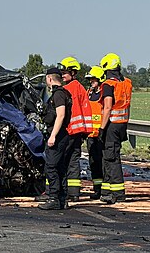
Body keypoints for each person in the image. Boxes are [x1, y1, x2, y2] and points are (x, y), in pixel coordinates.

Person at [99, 53, 132, 204]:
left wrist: (102, 128)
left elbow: (107, 107)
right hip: (122, 124)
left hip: (111, 124)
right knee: (110, 156)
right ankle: (107, 191)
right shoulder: (126, 83)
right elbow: (127, 106)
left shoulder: (108, 85)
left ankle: (118, 193)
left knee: (112, 158)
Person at [38, 67, 73, 210]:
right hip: (64, 135)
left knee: (51, 167)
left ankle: (53, 198)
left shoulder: (58, 94)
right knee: (60, 167)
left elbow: (61, 115)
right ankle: (62, 199)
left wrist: (53, 136)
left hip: (58, 135)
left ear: (50, 79)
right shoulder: (65, 93)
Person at [58, 57, 92, 201]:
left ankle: (64, 192)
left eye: (65, 72)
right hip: (78, 132)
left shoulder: (66, 89)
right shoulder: (80, 87)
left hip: (69, 130)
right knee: (74, 161)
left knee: (63, 161)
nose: (62, 75)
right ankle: (74, 193)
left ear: (73, 72)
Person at [85, 66, 106, 199]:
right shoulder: (89, 93)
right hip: (90, 135)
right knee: (93, 163)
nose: (91, 82)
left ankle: (105, 189)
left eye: (93, 79)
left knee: (103, 162)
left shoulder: (104, 94)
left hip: (101, 134)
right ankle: (97, 189)